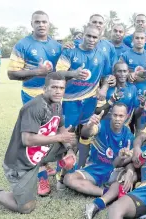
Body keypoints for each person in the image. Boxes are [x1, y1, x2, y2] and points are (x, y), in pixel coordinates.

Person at [0, 73, 76, 214]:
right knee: (25, 207)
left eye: (61, 88)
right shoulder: (35, 107)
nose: (58, 91)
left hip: (40, 152)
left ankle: (61, 179)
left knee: (72, 142)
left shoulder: (57, 104)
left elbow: (60, 127)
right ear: (45, 88)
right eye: (54, 87)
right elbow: (27, 140)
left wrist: (69, 149)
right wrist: (59, 138)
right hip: (21, 162)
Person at [55, 24, 112, 171]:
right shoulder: (70, 52)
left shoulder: (102, 55)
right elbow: (58, 75)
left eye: (95, 37)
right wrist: (72, 74)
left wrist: (104, 88)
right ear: (83, 35)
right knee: (68, 134)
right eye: (89, 36)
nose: (91, 39)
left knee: (87, 133)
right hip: (70, 101)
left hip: (91, 101)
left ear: (99, 39)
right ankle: (62, 170)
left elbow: (107, 76)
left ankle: (80, 165)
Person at [63, 103, 135, 212]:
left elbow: (128, 161)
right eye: (115, 115)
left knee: (127, 178)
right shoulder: (102, 125)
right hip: (95, 169)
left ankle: (109, 191)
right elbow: (86, 133)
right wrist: (90, 125)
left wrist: (125, 163)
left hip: (114, 172)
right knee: (68, 179)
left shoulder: (128, 135)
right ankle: (106, 192)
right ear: (111, 114)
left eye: (121, 116)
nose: (117, 119)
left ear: (126, 117)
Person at [7, 10, 62, 104]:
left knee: (53, 119)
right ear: (32, 24)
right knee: (33, 119)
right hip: (31, 96)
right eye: (37, 22)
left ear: (49, 24)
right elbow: (11, 74)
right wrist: (37, 72)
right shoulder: (22, 45)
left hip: (53, 96)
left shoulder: (57, 46)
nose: (41, 25)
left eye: (44, 22)